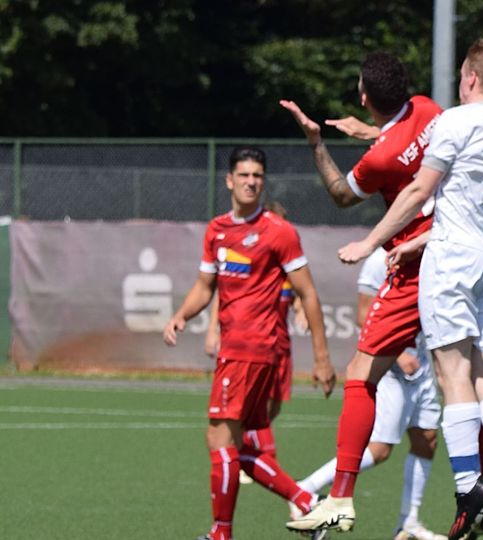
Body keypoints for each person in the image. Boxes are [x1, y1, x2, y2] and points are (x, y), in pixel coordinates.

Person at [337, 39, 483, 540]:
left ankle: (468, 487)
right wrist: (374, 132)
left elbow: (420, 190)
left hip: (452, 258)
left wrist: (369, 243)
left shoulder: (455, 121)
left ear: (470, 78)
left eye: (461, 74)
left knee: (452, 373)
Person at [279, 51, 443, 534]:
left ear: (364, 95)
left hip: (415, 263)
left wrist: (316, 143)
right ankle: (466, 494)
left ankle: (339, 498)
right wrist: (374, 131)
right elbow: (411, 142)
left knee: (359, 375)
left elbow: (341, 193)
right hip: (459, 252)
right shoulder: (429, 109)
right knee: (466, 376)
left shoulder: (380, 159)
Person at [163, 147, 337, 540]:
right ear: (229, 180)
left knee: (219, 438)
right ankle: (309, 504)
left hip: (252, 349)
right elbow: (205, 285)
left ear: (263, 181)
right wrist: (181, 315)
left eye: (257, 176)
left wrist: (322, 358)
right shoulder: (217, 230)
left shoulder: (278, 231)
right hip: (238, 350)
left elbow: (308, 293)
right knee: (235, 447)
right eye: (243, 175)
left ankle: (221, 534)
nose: (250, 182)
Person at [293, 246, 444, 540]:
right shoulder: (379, 260)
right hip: (391, 366)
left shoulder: (431, 251)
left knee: (426, 440)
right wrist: (399, 354)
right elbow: (364, 317)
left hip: (421, 365)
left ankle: (409, 523)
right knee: (380, 449)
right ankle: (305, 490)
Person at [204, 201, 301, 485]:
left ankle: (255, 463)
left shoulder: (288, 270)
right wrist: (212, 331)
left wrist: (303, 314)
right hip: (253, 347)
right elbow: (221, 293)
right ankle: (269, 469)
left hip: (280, 349)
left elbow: (304, 297)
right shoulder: (250, 260)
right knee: (237, 423)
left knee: (271, 410)